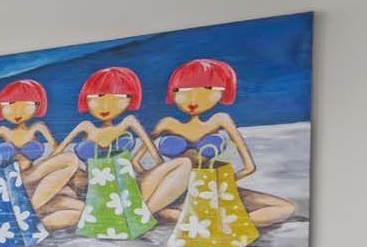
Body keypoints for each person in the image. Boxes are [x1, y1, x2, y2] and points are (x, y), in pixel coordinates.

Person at [149, 58, 293, 227]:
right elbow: (136, 161)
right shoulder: (167, 123)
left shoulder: (220, 120)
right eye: (183, 90)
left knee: (285, 208)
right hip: (177, 191)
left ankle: (220, 225)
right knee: (166, 213)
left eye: (208, 89)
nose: (193, 98)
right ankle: (212, 223)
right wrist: (163, 180)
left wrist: (222, 182)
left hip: (213, 185)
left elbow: (249, 167)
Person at [54, 66, 182, 218]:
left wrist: (146, 175)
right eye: (99, 96)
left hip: (125, 186)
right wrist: (77, 172)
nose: (106, 105)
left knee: (183, 164)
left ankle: (141, 212)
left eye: (118, 97)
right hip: (92, 187)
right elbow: (55, 156)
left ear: (129, 98)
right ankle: (138, 214)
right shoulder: (86, 126)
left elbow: (156, 159)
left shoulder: (129, 122)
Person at [0, 79, 80, 229]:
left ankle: (30, 222)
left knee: (82, 209)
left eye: (25, 105)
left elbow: (56, 150)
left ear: (37, 105)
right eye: (11, 105)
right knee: (70, 161)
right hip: (11, 179)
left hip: (32, 179)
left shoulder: (37, 127)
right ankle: (26, 215)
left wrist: (60, 176)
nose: (18, 111)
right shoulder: (3, 130)